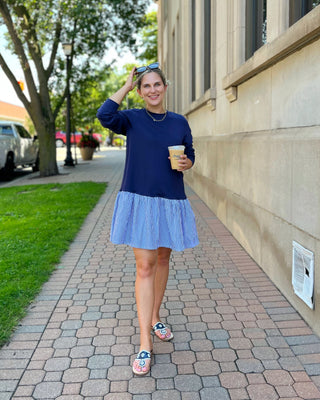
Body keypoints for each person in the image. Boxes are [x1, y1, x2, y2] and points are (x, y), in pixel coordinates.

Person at [96, 62, 199, 375]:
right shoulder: (131, 119)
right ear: (140, 92)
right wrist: (126, 85)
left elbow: (191, 154)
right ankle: (145, 343)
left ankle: (155, 317)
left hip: (170, 199)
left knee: (164, 260)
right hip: (140, 199)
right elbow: (104, 115)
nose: (153, 90)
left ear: (165, 87)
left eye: (157, 85)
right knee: (145, 266)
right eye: (146, 86)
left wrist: (186, 162)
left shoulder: (180, 121)